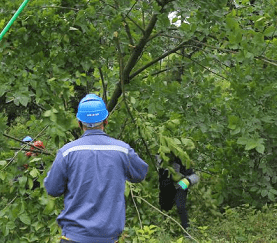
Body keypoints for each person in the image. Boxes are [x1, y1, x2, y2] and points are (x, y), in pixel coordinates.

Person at [44, 93, 149, 242]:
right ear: (105, 120)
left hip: (73, 238)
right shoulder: (122, 151)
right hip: (108, 238)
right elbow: (140, 173)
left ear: (79, 122)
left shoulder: (67, 153)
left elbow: (52, 189)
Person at [158, 154, 200, 235]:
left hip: (180, 186)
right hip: (166, 187)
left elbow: (195, 177)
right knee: (164, 208)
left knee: (180, 206)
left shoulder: (181, 160)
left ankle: (186, 231)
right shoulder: (161, 157)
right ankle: (165, 231)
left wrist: (187, 181)